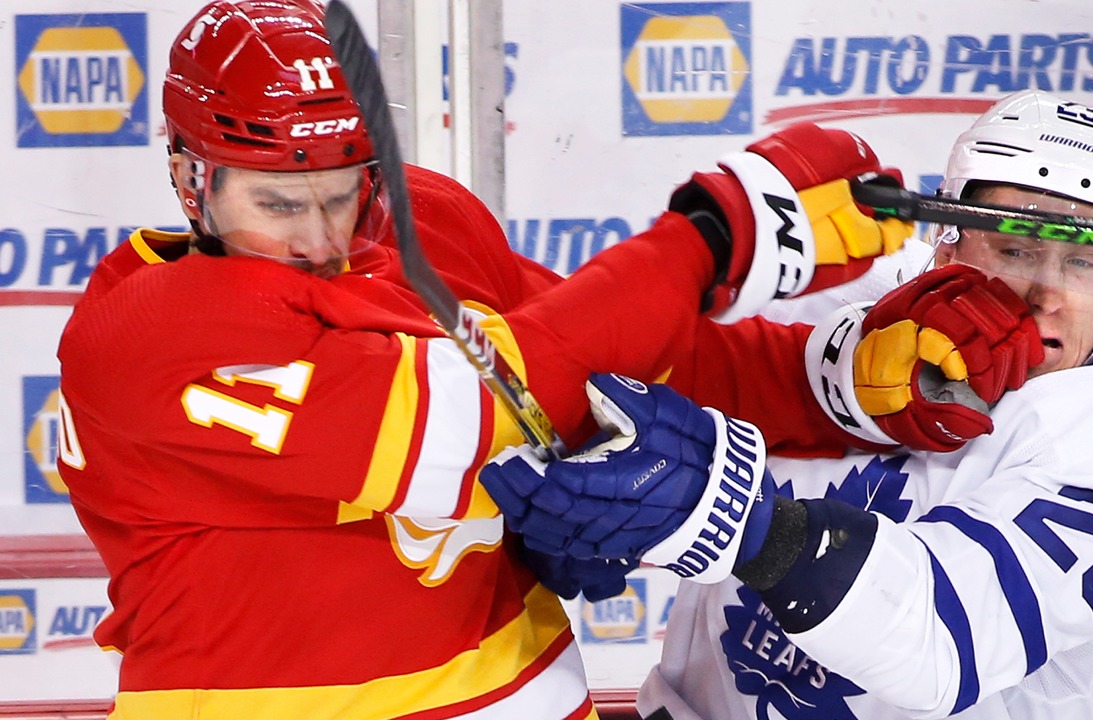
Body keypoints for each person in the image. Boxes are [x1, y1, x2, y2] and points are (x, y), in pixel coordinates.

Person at [53, 2, 944, 718]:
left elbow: (621, 367)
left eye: (344, 191)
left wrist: (843, 383)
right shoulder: (145, 336)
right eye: (280, 204)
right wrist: (709, 237)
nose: (322, 239)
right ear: (188, 177)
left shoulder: (419, 223)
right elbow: (498, 408)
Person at [481, 90, 1093, 719]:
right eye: (1015, 249)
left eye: (1084, 261)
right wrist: (586, 470)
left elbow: (937, 638)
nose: (1047, 293)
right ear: (949, 244)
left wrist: (729, 520)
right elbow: (601, 364)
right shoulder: (846, 313)